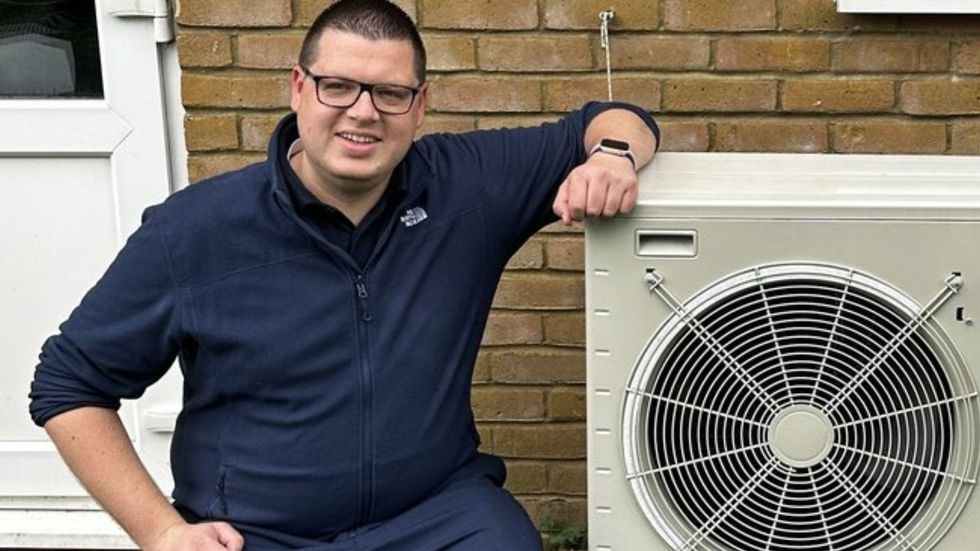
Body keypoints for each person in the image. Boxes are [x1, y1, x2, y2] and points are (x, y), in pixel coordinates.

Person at [28, 0, 659, 549]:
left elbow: (617, 116)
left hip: (437, 513)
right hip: (254, 530)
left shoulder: (468, 186)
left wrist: (611, 155)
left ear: (419, 106)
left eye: (390, 93)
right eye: (338, 87)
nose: (363, 113)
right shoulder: (193, 231)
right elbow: (67, 384)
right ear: (298, 87)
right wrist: (160, 530)